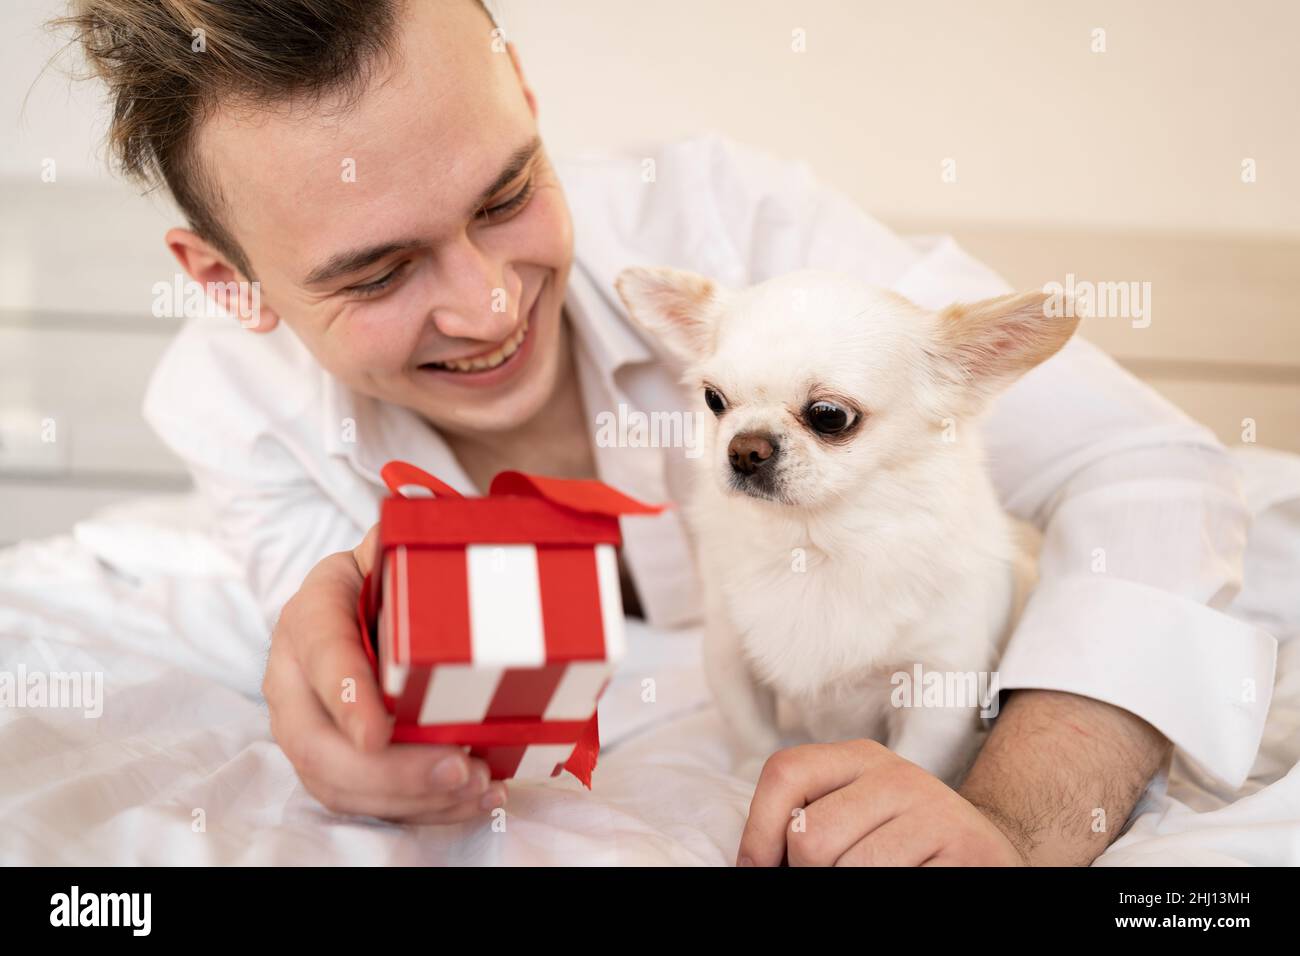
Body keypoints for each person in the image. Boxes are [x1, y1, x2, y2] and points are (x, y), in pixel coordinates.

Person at [63, 0, 1274, 864]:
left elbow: (1148, 464)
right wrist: (345, 706)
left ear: (527, 100)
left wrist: (1016, 817)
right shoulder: (234, 405)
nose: (489, 304)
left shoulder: (727, 222)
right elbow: (342, 654)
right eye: (376, 271)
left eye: (506, 194)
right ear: (227, 285)